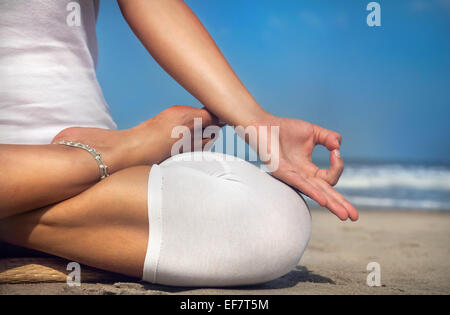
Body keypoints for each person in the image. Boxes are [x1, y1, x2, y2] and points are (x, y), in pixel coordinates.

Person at [0, 0, 358, 287]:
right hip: (96, 156)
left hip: (93, 173)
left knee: (274, 221)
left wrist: (258, 124)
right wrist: (128, 148)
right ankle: (113, 151)